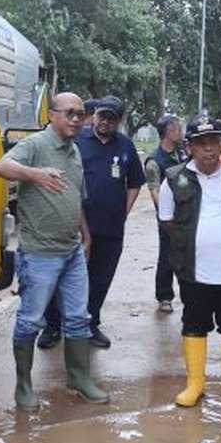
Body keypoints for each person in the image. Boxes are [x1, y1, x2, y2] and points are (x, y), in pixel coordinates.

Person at [0, 92, 108, 409]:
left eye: (81, 113)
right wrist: (36, 174)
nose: (77, 119)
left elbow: (75, 198)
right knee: (30, 321)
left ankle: (79, 378)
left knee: (78, 318)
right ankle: (23, 386)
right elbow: (1, 166)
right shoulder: (36, 145)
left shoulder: (74, 151)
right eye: (69, 112)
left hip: (72, 252)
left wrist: (86, 236)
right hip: (39, 254)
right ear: (51, 114)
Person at [159, 116, 221, 414]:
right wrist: (195, 242)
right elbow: (167, 221)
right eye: (201, 143)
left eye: (213, 142)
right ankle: (195, 384)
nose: (208, 149)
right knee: (194, 324)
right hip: (194, 272)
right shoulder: (174, 177)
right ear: (189, 147)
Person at [38, 96, 144, 349]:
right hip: (73, 227)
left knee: (100, 278)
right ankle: (52, 326)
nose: (105, 122)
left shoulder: (125, 145)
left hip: (110, 227)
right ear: (94, 115)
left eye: (112, 118)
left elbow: (135, 183)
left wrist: (123, 212)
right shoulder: (76, 140)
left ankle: (90, 323)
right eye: (102, 116)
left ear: (119, 121)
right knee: (61, 277)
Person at [144, 114, 187, 313]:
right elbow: (154, 190)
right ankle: (164, 296)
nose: (181, 133)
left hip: (187, 212)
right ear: (169, 132)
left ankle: (189, 294)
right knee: (168, 256)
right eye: (178, 129)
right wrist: (165, 215)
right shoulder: (154, 160)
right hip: (169, 217)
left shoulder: (182, 153)